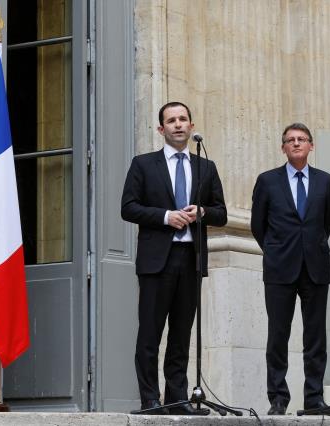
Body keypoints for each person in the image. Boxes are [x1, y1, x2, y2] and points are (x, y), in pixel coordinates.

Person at [121, 102, 227, 415]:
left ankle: (177, 399)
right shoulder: (143, 164)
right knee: (150, 333)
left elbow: (220, 211)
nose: (178, 125)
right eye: (171, 120)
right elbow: (128, 207)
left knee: (182, 334)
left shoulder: (205, 167)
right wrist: (166, 216)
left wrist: (202, 212)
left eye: (183, 119)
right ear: (161, 129)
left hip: (191, 259)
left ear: (191, 126)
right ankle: (150, 400)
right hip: (157, 261)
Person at [251, 123, 330, 416]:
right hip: (279, 268)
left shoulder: (325, 181)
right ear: (283, 147)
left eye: (302, 139)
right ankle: (278, 398)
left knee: (316, 337)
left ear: (311, 146)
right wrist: (276, 250)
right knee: (278, 336)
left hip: (315, 267)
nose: (296, 143)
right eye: (290, 140)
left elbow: (325, 223)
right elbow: (257, 226)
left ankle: (314, 398)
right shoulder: (267, 181)